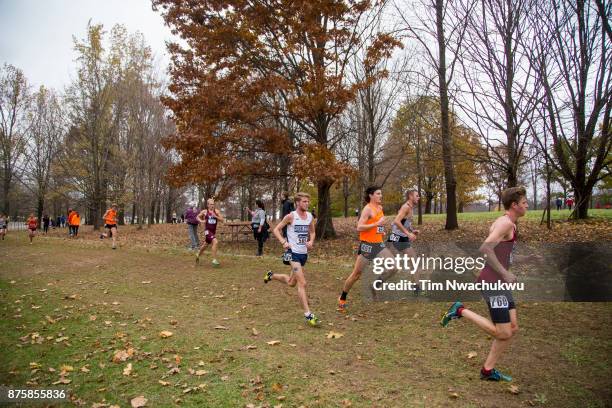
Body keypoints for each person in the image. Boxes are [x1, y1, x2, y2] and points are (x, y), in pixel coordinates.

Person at [440, 186, 540, 382]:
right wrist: (505, 273)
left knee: (511, 327)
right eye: (524, 203)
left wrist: (527, 259)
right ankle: (460, 310)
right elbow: (485, 248)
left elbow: (502, 255)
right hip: (492, 282)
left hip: (499, 282)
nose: (527, 205)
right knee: (503, 332)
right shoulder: (505, 224)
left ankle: (487, 370)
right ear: (514, 205)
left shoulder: (508, 222)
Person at [264, 192, 320, 326]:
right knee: (302, 283)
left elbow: (312, 232)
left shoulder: (309, 217)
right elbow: (276, 229)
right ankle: (308, 314)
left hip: (303, 253)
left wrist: (311, 241)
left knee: (291, 282)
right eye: (304, 201)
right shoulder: (291, 216)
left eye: (308, 201)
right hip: (291, 253)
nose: (307, 204)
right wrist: (283, 242)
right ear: (297, 203)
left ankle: (271, 275)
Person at [337, 186, 394, 312]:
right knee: (356, 275)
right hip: (367, 246)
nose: (381, 196)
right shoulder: (367, 209)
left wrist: (381, 230)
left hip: (379, 244)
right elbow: (359, 227)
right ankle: (342, 297)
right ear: (371, 195)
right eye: (378, 194)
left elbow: (378, 226)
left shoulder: (380, 208)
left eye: (381, 193)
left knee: (393, 268)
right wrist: (376, 224)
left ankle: (374, 286)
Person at [383, 189, 422, 294]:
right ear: (410, 196)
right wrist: (408, 234)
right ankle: (416, 288)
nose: (419, 197)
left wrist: (412, 230)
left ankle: (416, 287)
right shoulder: (406, 207)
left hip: (399, 236)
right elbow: (396, 221)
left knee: (412, 262)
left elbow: (404, 222)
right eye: (417, 195)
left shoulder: (410, 207)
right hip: (398, 237)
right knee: (413, 261)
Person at [195, 198, 224, 266]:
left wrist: (215, 216)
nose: (212, 206)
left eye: (213, 204)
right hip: (207, 231)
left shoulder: (216, 211)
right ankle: (214, 260)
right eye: (211, 204)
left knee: (205, 245)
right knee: (215, 241)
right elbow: (197, 217)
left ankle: (198, 254)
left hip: (213, 232)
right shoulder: (205, 211)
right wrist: (201, 221)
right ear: (207, 205)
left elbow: (222, 220)